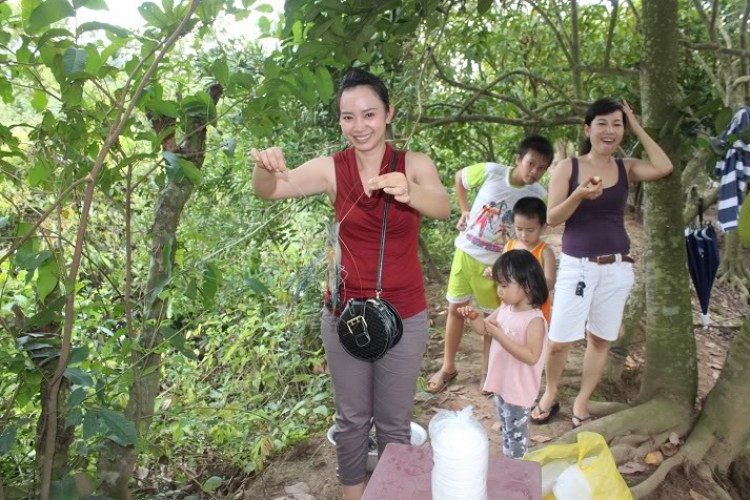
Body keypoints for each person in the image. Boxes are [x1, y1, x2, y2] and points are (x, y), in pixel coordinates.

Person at [251, 68, 450, 500]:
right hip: (346, 316)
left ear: (389, 114)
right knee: (352, 418)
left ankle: (392, 491)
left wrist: (408, 192)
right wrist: (265, 167)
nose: (358, 127)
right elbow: (269, 191)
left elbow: (442, 206)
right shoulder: (331, 169)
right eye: (347, 117)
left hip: (404, 316)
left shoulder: (413, 164)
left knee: (395, 421)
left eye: (369, 115)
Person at [531, 98, 673, 428]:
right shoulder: (569, 168)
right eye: (602, 123)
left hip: (617, 268)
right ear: (587, 128)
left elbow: (664, 166)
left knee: (599, 339)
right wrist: (579, 195)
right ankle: (550, 393)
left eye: (617, 124)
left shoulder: (626, 168)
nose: (610, 131)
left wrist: (637, 125)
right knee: (558, 342)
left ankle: (582, 401)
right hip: (577, 267)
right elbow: (551, 218)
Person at [426, 136, 554, 394]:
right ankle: (448, 367)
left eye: (542, 168)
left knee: (492, 320)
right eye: (531, 163)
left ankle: (488, 373)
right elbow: (460, 178)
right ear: (518, 159)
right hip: (466, 252)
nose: (534, 172)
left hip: (499, 266)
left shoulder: (539, 194)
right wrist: (463, 210)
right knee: (455, 309)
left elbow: (542, 225)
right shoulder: (492, 172)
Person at [457, 250, 549, 458]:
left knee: (516, 438)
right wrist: (472, 317)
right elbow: (484, 329)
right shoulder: (506, 309)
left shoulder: (534, 320)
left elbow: (531, 356)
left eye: (505, 285)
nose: (499, 290)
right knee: (507, 429)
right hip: (502, 384)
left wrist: (500, 336)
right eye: (498, 284)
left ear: (526, 285)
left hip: (518, 389)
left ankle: (517, 472)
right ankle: (509, 465)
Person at [502, 197, 556, 322]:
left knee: (533, 338)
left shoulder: (545, 252)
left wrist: (529, 286)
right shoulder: (509, 246)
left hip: (536, 308)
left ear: (543, 227)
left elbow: (551, 282)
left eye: (530, 230)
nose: (524, 235)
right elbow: (502, 273)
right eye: (519, 229)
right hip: (511, 305)